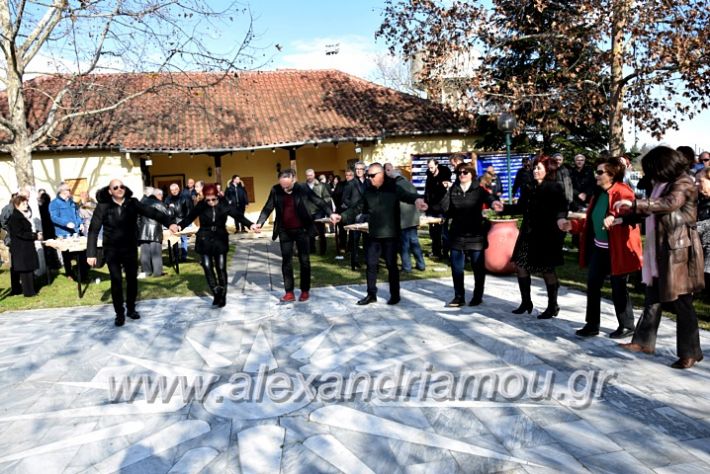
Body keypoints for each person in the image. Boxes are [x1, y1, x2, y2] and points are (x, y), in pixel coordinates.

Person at [615, 146, 705, 369]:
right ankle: (644, 342)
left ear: (664, 166)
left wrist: (635, 203)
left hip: (679, 251)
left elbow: (669, 204)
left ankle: (691, 352)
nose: (649, 174)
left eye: (652, 169)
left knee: (682, 302)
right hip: (660, 249)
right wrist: (625, 218)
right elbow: (651, 210)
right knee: (652, 297)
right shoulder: (661, 184)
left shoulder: (683, 182)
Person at [558, 157, 642, 338]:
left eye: (600, 172)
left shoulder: (623, 191)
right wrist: (572, 226)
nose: (596, 175)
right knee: (593, 284)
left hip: (618, 249)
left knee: (618, 286)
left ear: (612, 175)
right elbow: (591, 222)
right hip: (600, 248)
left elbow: (626, 212)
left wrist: (614, 216)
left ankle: (627, 325)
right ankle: (592, 324)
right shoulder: (598, 195)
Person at [86, 180, 174, 327]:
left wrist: (169, 222)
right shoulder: (103, 207)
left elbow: (151, 212)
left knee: (132, 280)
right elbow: (93, 230)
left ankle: (131, 309)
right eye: (115, 187)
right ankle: (119, 314)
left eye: (121, 186)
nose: (119, 189)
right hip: (112, 250)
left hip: (129, 248)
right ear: (110, 191)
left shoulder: (132, 203)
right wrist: (91, 253)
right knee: (116, 281)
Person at [339, 163, 427, 305]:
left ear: (381, 174)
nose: (370, 178)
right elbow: (357, 208)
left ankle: (395, 295)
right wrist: (341, 216)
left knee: (392, 266)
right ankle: (371, 294)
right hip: (373, 235)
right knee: (371, 265)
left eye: (372, 176)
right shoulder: (368, 191)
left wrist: (417, 200)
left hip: (391, 235)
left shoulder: (393, 187)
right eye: (368, 176)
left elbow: (407, 195)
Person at [253, 169, 337, 302]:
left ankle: (304, 291)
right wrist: (259, 223)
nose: (284, 188)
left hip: (302, 230)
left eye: (287, 185)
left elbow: (318, 201)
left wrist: (330, 213)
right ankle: (289, 292)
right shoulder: (275, 190)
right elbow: (268, 207)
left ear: (293, 180)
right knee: (286, 262)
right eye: (282, 185)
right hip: (284, 231)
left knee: (304, 261)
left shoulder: (302, 188)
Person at [175, 184, 254, 307]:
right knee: (207, 266)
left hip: (220, 238)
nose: (211, 202)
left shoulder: (224, 204)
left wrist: (251, 225)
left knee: (220, 267)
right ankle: (216, 291)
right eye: (208, 200)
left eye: (214, 199)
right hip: (204, 238)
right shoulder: (201, 205)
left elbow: (238, 216)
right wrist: (180, 225)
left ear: (217, 196)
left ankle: (222, 296)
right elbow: (190, 217)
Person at [511, 156, 569, 318]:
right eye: (534, 168)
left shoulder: (554, 187)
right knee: (520, 265)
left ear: (547, 170)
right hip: (528, 233)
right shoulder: (528, 186)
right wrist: (502, 208)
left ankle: (552, 306)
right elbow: (519, 207)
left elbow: (562, 208)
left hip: (546, 234)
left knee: (546, 269)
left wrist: (561, 221)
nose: (535, 171)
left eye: (539, 168)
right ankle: (526, 302)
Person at [441, 163, 503, 307]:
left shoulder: (478, 189)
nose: (462, 174)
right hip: (457, 233)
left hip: (475, 233)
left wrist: (494, 203)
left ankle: (477, 296)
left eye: (465, 172)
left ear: (472, 174)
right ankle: (459, 296)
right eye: (459, 172)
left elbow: (490, 198)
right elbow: (445, 209)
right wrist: (446, 191)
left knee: (478, 267)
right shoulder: (453, 189)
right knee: (456, 268)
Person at [385, 163, 426, 273]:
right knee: (414, 242)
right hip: (413, 218)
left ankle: (407, 267)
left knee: (404, 244)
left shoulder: (396, 186)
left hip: (403, 219)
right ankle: (421, 264)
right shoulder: (410, 184)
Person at [49, 184, 89, 281]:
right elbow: (53, 217)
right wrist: (66, 223)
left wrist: (80, 223)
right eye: (68, 190)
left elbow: (76, 214)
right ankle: (69, 273)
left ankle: (82, 274)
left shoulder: (71, 202)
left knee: (82, 253)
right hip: (63, 233)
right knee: (67, 256)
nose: (70, 191)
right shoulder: (54, 203)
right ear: (62, 191)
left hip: (75, 232)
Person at [7, 195, 42, 297]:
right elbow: (20, 233)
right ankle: (29, 292)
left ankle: (30, 290)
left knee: (28, 270)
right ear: (17, 205)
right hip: (21, 248)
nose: (26, 205)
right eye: (23, 203)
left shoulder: (21, 215)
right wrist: (35, 236)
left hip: (25, 246)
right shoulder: (14, 218)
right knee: (25, 270)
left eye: (26, 203)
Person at [138, 188, 169, 278]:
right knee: (156, 252)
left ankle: (146, 271)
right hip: (155, 230)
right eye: (161, 196)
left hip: (143, 230)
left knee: (145, 253)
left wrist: (140, 227)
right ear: (158, 195)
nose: (162, 198)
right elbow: (166, 215)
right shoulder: (159, 203)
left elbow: (137, 217)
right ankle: (157, 272)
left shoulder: (142, 202)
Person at [342, 162, 368, 270]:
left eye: (360, 169)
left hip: (366, 214)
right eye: (356, 169)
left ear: (364, 170)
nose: (358, 171)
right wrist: (352, 206)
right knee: (354, 239)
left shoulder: (368, 182)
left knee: (367, 239)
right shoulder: (351, 183)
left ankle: (368, 260)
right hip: (354, 214)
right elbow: (344, 199)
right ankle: (354, 262)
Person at [424, 158, 452, 259]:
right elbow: (427, 191)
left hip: (442, 207)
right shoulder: (429, 175)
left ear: (436, 165)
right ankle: (436, 252)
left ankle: (445, 252)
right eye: (429, 168)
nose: (430, 169)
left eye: (432, 167)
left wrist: (446, 185)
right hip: (431, 207)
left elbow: (447, 185)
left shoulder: (444, 174)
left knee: (444, 232)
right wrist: (425, 203)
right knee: (433, 232)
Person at [305, 168, 332, 256]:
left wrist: (323, 206)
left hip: (319, 212)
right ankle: (311, 249)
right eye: (308, 175)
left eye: (311, 175)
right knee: (309, 232)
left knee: (321, 232)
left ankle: (322, 251)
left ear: (314, 175)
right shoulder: (303, 186)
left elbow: (327, 197)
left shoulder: (321, 186)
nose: (309, 177)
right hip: (308, 211)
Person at [164, 183, 193, 262]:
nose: (174, 191)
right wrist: (169, 208)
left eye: (175, 189)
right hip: (173, 222)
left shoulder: (185, 197)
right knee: (174, 240)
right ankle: (175, 257)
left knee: (184, 239)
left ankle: (184, 256)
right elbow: (165, 210)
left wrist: (186, 221)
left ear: (178, 189)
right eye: (172, 190)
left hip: (182, 221)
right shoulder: (168, 199)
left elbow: (189, 209)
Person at [696, 168, 710, 301]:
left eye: (700, 181)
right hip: (699, 249)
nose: (697, 184)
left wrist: (693, 227)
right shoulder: (698, 200)